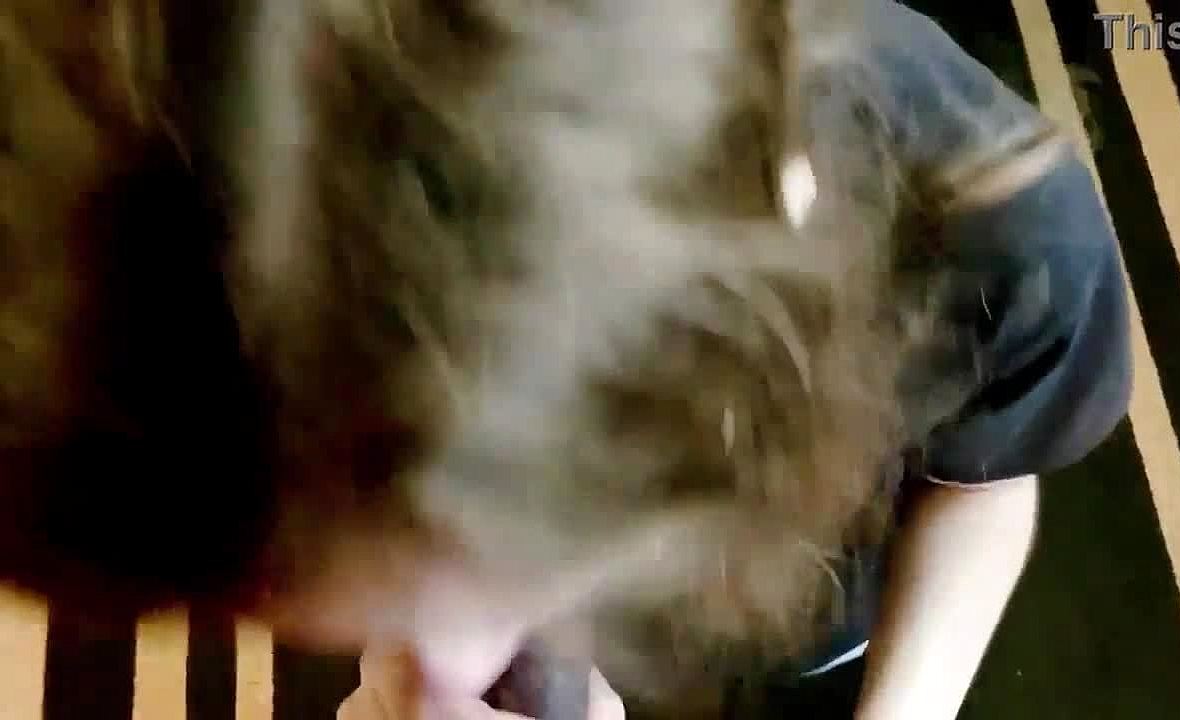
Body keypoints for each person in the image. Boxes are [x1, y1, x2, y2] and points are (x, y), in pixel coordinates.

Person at [336, 0, 1133, 718]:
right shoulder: (338, 176)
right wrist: (443, 645)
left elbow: (982, 481)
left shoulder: (1008, 237)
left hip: (822, 620)